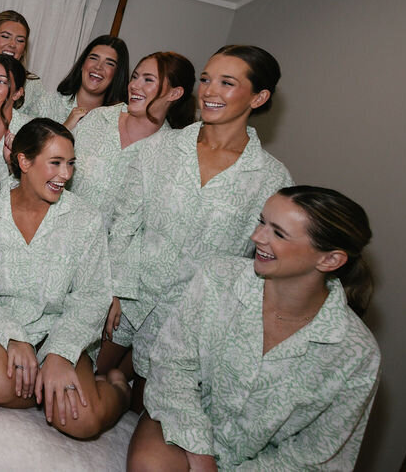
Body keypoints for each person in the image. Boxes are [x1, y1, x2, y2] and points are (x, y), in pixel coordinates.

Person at [129, 186, 380, 470]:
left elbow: (317, 453)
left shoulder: (358, 354)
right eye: (262, 222)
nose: (257, 237)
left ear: (330, 259)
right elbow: (172, 367)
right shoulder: (217, 278)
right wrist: (201, 456)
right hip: (180, 427)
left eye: (278, 233)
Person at [98, 45, 293, 408]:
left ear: (259, 96)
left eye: (226, 83)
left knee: (147, 409)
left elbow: (257, 267)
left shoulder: (271, 179)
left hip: (187, 322)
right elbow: (124, 225)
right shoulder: (158, 149)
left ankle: (124, 385)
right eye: (205, 79)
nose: (209, 91)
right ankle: (116, 379)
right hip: (127, 299)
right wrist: (111, 289)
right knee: (78, 403)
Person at [0, 118, 129, 439]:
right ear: (24, 161)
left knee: (83, 421)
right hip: (3, 333)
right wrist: (13, 337)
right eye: (55, 163)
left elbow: (91, 298)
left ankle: (116, 391)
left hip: (59, 334)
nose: (65, 174)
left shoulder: (85, 220)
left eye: (70, 164)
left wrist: (59, 354)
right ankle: (48, 393)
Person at [72, 52, 194, 225]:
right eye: (134, 77)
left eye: (148, 80)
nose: (134, 85)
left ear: (174, 93)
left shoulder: (169, 152)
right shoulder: (98, 119)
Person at [34, 35, 130, 130]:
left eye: (109, 63)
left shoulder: (119, 121)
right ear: (82, 64)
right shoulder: (48, 104)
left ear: (117, 75)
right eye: (93, 58)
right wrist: (65, 128)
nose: (98, 67)